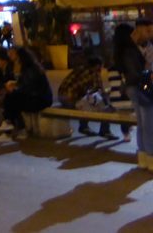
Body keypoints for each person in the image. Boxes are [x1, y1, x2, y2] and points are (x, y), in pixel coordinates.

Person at [114, 20, 153, 169]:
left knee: (143, 124)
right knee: (148, 124)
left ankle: (143, 158)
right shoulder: (129, 51)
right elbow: (136, 74)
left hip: (134, 88)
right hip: (139, 88)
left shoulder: (123, 51)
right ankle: (150, 158)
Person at [0, 46, 53, 143]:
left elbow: (30, 86)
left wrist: (15, 87)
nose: (10, 56)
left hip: (40, 99)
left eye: (13, 54)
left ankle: (9, 127)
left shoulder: (31, 69)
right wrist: (13, 84)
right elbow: (20, 83)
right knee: (11, 100)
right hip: (31, 95)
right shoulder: (16, 67)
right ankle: (14, 128)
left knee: (12, 100)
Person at [58, 55, 114, 138]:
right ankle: (105, 130)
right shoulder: (93, 72)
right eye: (101, 66)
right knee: (104, 105)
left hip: (62, 97)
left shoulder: (80, 69)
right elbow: (99, 90)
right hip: (70, 99)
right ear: (98, 66)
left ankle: (84, 127)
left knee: (87, 100)